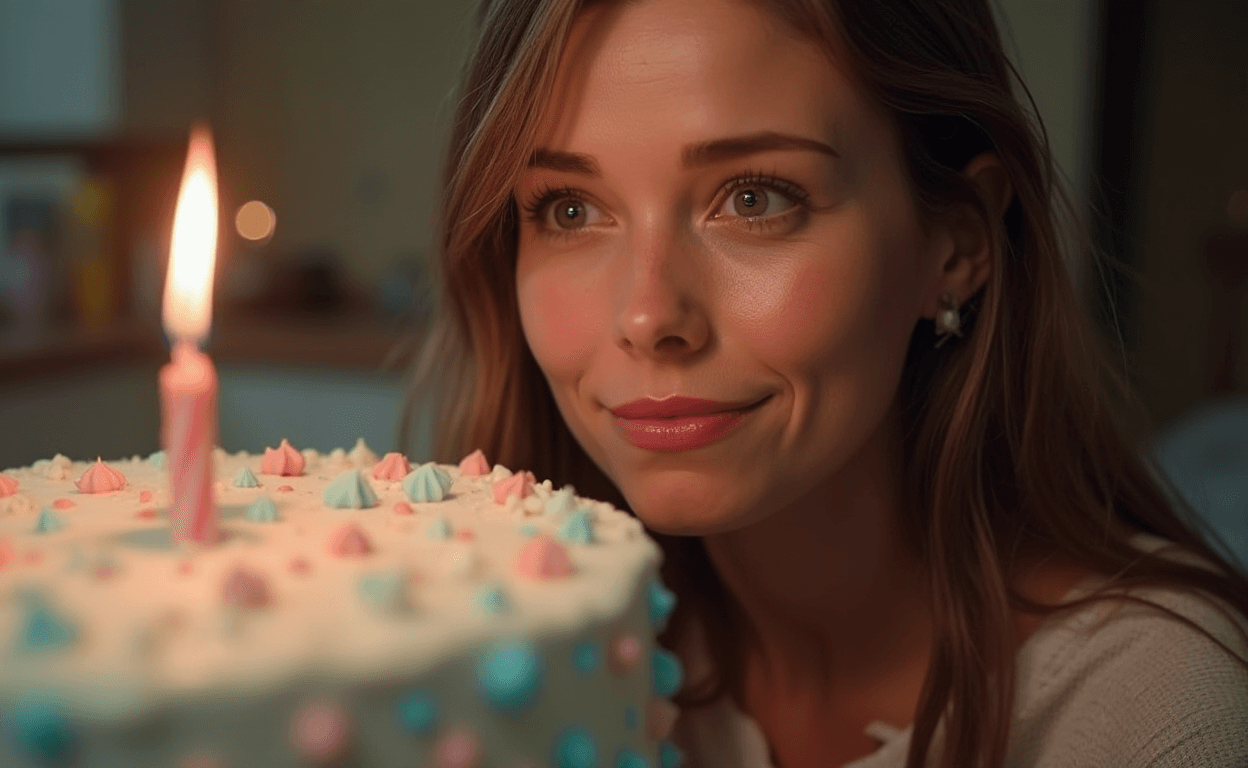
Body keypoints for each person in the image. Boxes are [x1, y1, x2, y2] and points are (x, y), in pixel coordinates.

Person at [407, 0, 1248, 765]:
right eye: (569, 210)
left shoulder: (1164, 712)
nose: (648, 314)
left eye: (753, 198)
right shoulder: (533, 659)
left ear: (954, 249)